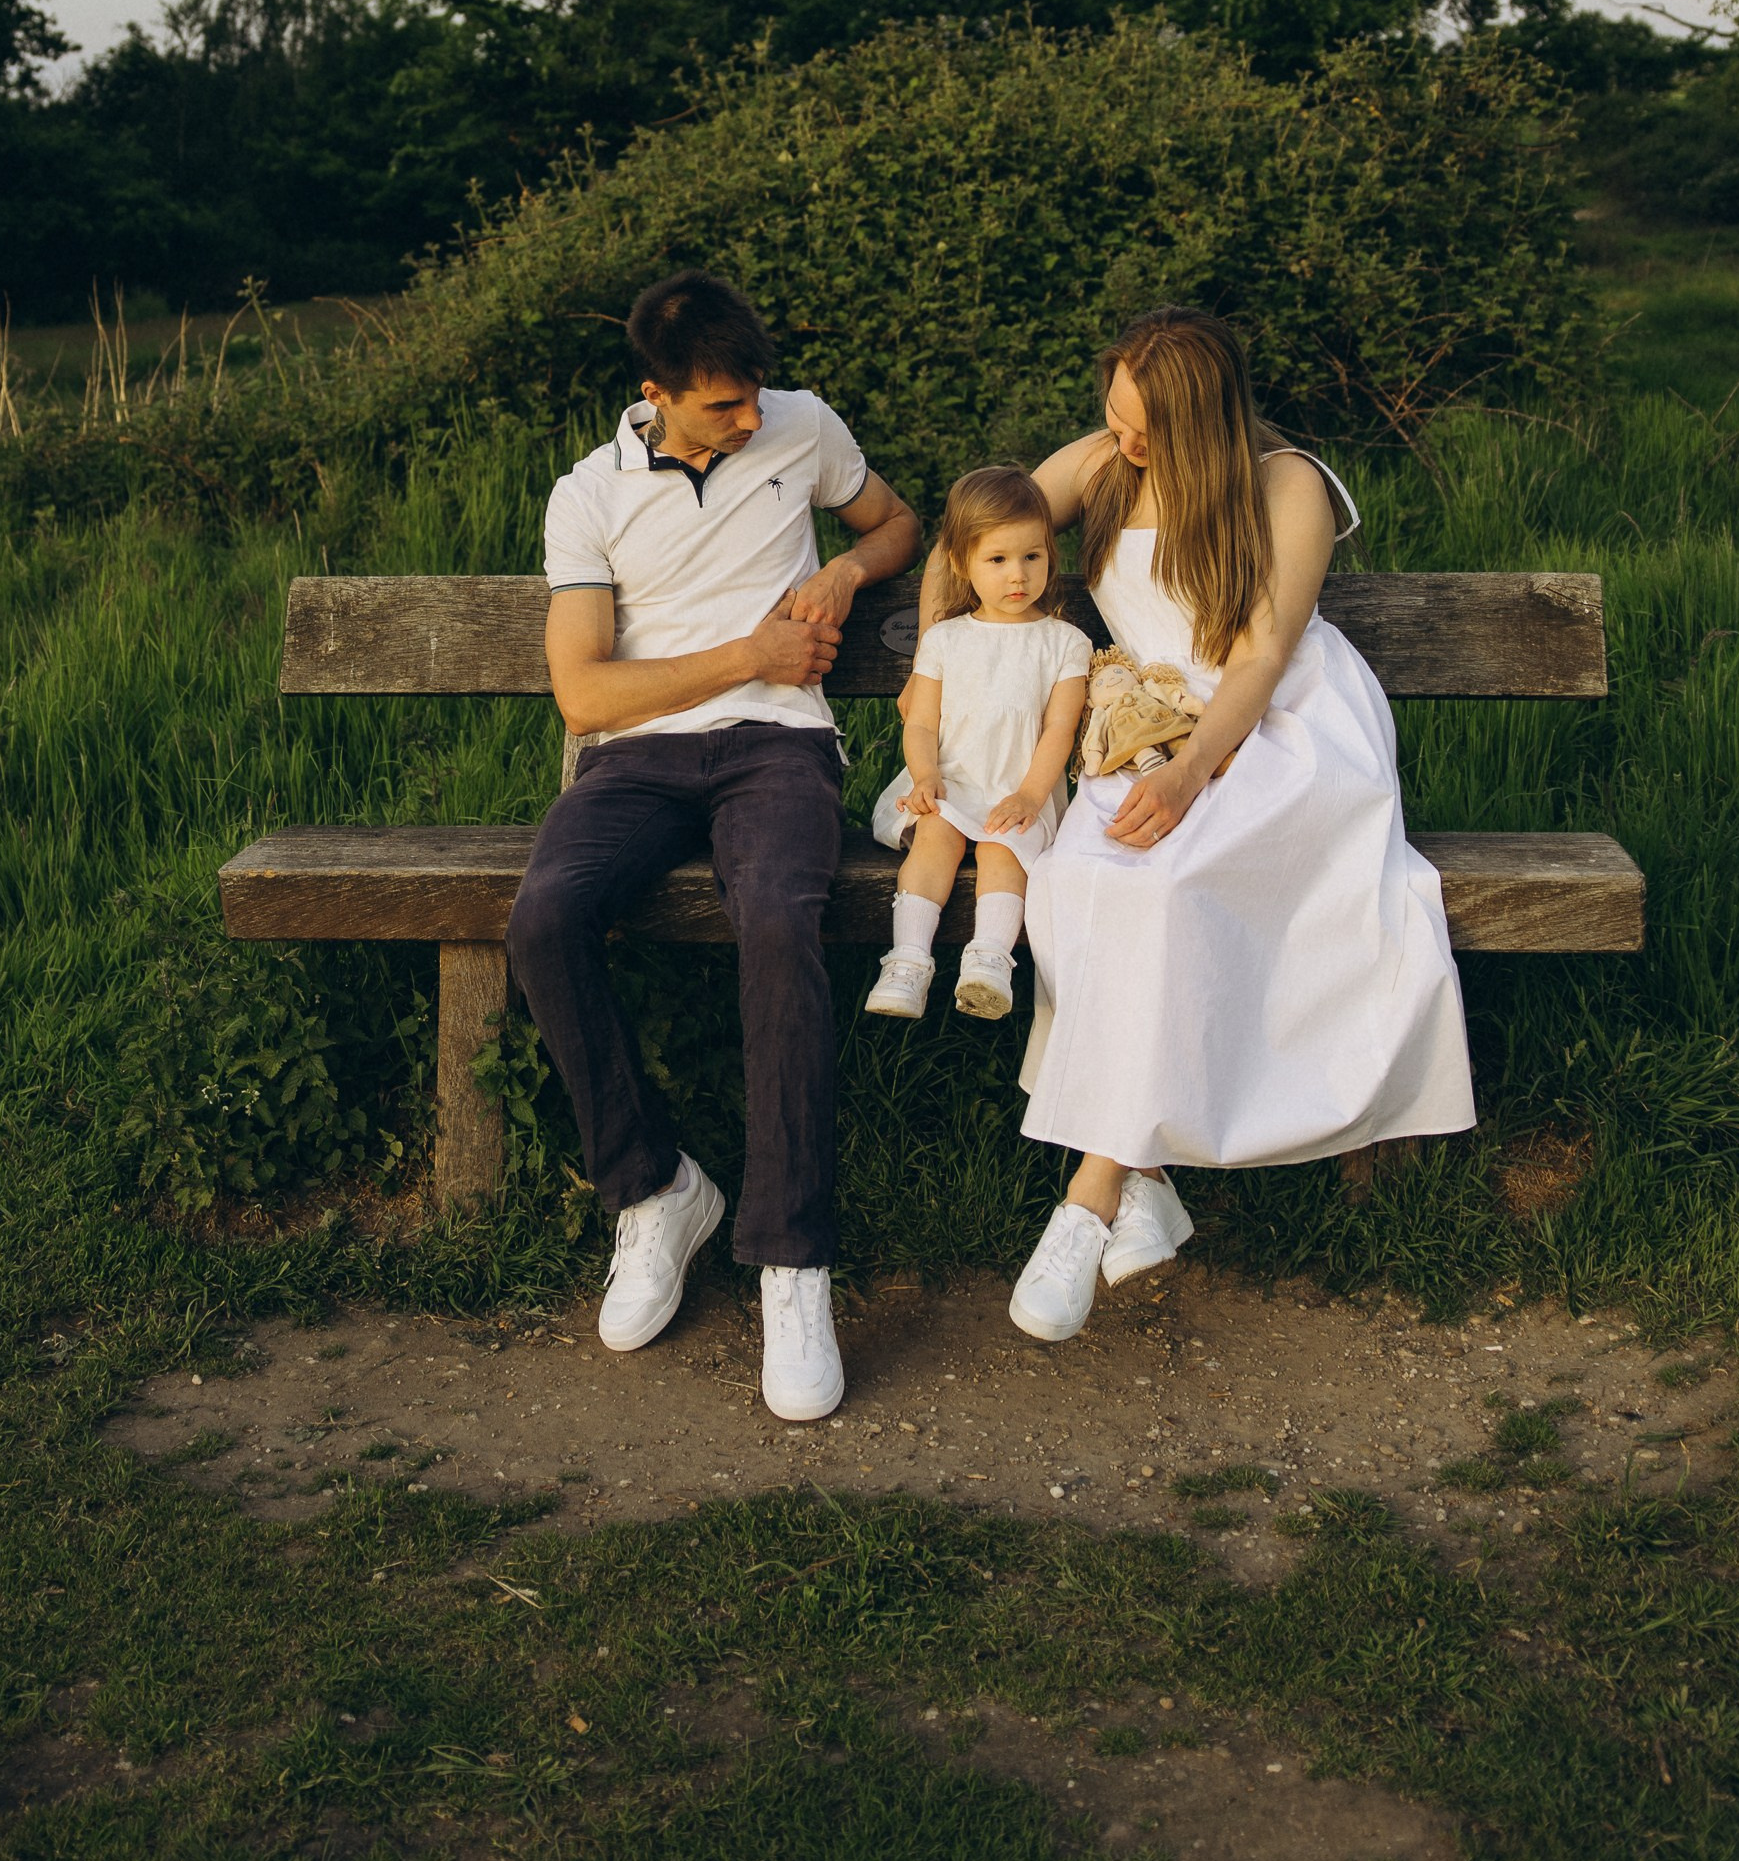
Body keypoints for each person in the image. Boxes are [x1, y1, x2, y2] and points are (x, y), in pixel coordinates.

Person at [964, 306, 1475, 1343]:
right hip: (1150, 722)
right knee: (1080, 875)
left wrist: (1199, 766)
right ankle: (1140, 1176)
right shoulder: (1108, 463)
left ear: (1200, 417)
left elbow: (1262, 654)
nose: (1122, 439)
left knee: (1163, 880)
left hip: (1276, 729)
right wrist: (953, 647)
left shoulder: (1285, 484)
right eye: (1111, 415)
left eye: (1142, 424)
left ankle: (1092, 1192)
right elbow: (980, 527)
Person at [510, 271, 922, 1422]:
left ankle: (792, 1259)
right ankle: (653, 1191)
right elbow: (583, 692)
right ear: (654, 393)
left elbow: (896, 521)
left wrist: (842, 567)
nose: (749, 422)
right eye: (719, 407)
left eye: (752, 399)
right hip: (637, 758)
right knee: (543, 917)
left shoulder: (801, 421)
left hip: (778, 748)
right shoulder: (586, 494)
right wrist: (747, 654)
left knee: (779, 917)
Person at [863, 466, 1097, 1027]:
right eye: (997, 560)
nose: (1017, 575)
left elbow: (1059, 733)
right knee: (936, 835)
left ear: (1049, 555)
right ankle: (908, 961)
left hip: (1019, 787)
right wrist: (924, 776)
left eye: (1032, 557)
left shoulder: (1065, 643)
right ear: (963, 563)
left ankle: (990, 961)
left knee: (1002, 846)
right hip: (952, 780)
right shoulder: (945, 639)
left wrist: (1030, 796)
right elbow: (920, 723)